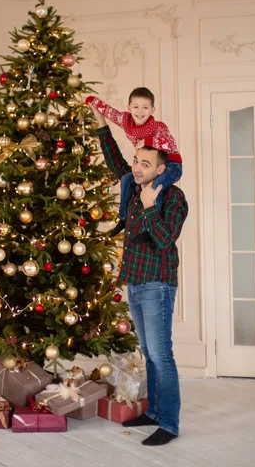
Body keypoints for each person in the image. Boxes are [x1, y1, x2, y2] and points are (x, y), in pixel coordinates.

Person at [90, 105, 188, 446]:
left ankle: (170, 424)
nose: (137, 168)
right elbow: (116, 162)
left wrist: (149, 206)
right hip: (135, 282)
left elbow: (163, 240)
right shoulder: (133, 188)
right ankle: (156, 412)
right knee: (148, 351)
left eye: (145, 164)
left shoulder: (173, 198)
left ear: (162, 169)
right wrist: (101, 123)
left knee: (162, 354)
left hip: (158, 286)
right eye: (137, 162)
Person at [86, 88, 182, 239]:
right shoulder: (127, 122)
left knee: (153, 188)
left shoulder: (158, 127)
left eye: (145, 107)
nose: (140, 112)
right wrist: (93, 102)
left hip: (172, 165)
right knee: (125, 178)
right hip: (129, 261)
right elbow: (110, 113)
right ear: (129, 107)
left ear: (152, 110)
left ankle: (146, 229)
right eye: (135, 107)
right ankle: (123, 218)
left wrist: (146, 141)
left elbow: (169, 143)